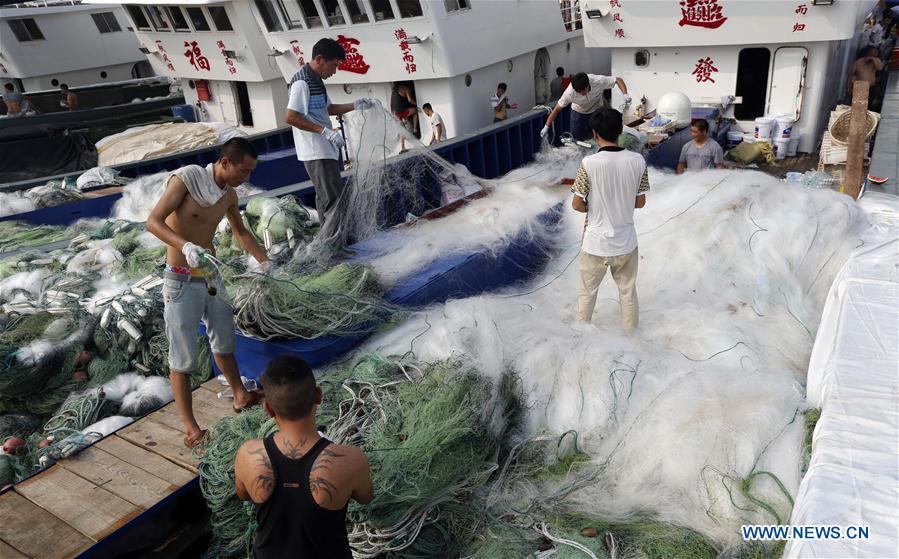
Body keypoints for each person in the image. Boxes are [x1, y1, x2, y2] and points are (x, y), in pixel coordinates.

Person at [146, 138, 270, 448]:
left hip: (210, 274)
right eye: (244, 171)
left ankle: (240, 396)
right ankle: (191, 428)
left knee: (224, 340)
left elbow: (241, 232)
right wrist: (184, 246)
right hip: (180, 279)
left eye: (250, 172)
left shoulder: (228, 195)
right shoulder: (186, 179)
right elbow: (153, 221)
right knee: (183, 357)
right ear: (226, 163)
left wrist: (266, 262)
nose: (247, 178)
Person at [235, 355, 374, 559]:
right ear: (318, 396)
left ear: (268, 409)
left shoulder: (247, 455)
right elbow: (366, 497)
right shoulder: (351, 459)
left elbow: (243, 494)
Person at [285, 38, 373, 240]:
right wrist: (324, 132)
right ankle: (334, 248)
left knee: (326, 200)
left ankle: (328, 245)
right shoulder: (302, 82)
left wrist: (356, 104)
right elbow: (291, 117)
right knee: (333, 200)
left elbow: (329, 109)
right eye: (334, 65)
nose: (334, 71)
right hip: (317, 151)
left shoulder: (316, 81)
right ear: (319, 59)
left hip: (326, 149)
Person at [571, 108, 649, 331]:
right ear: (620, 132)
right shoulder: (638, 161)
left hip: (595, 244)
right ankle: (630, 336)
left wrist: (593, 208)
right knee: (628, 293)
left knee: (587, 294)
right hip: (625, 243)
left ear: (595, 134)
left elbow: (576, 204)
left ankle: (580, 335)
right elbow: (640, 202)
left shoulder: (589, 164)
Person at [541, 72, 630, 141]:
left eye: (584, 90)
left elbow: (618, 80)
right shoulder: (569, 93)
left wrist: (625, 94)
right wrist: (546, 126)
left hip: (597, 109)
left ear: (588, 84)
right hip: (579, 112)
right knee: (576, 137)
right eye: (579, 92)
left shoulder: (597, 81)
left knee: (602, 132)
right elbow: (557, 109)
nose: (582, 93)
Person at [391, 83, 418, 151]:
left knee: (402, 129)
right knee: (415, 111)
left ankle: (403, 148)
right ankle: (415, 130)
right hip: (401, 112)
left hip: (394, 114)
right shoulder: (406, 88)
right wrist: (417, 104)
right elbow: (410, 100)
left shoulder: (394, 91)